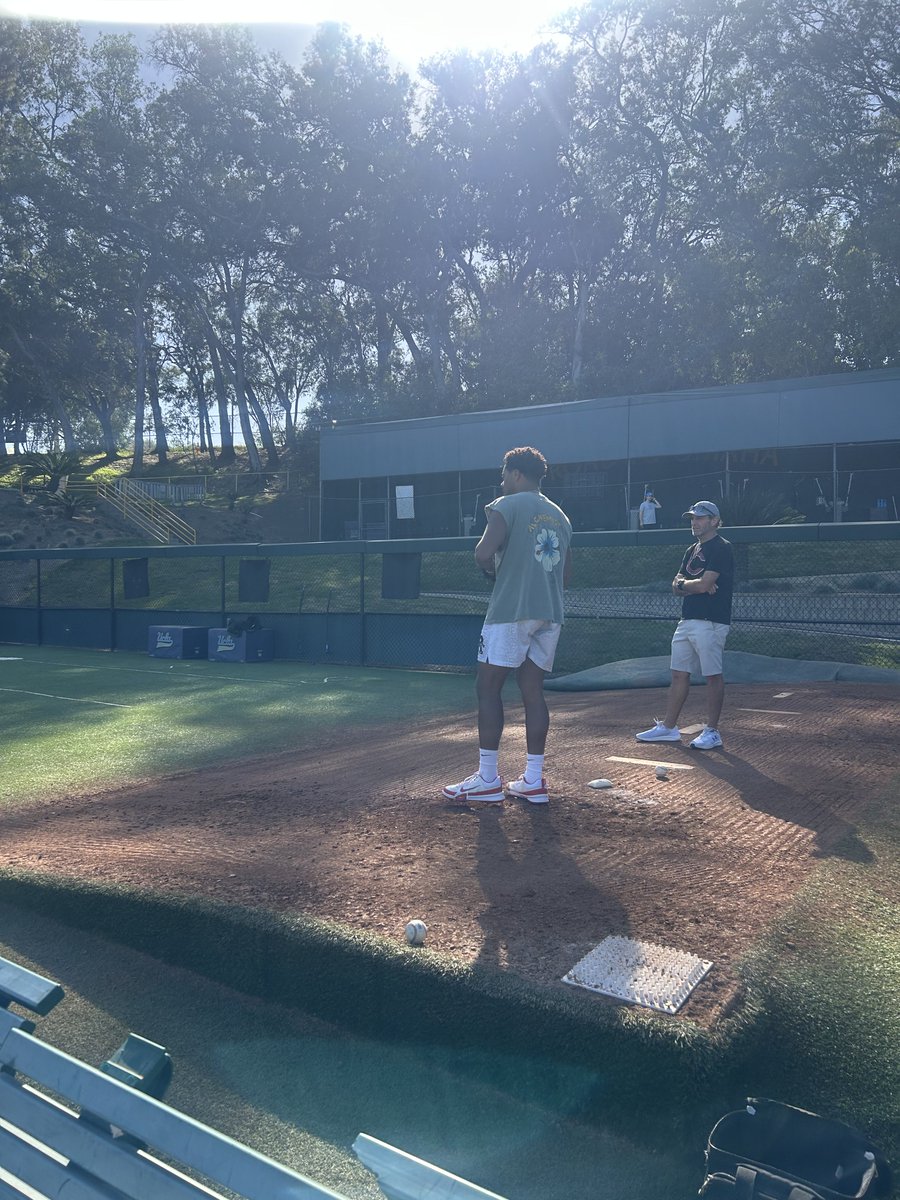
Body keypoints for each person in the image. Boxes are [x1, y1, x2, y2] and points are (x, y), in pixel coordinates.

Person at [442, 446, 573, 805]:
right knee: (533, 690)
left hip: (511, 610)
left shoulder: (506, 505)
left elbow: (483, 553)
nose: (502, 483)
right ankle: (533, 780)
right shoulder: (560, 516)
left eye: (504, 476)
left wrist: (490, 569)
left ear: (516, 474)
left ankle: (487, 779)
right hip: (550, 611)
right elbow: (566, 575)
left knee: (487, 687)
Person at [635, 500, 734, 750]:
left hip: (711, 621)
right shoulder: (692, 549)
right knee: (678, 673)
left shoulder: (722, 548)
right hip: (687, 619)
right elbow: (678, 585)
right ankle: (669, 727)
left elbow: (703, 584)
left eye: (700, 518)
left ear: (714, 521)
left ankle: (712, 731)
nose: (694, 522)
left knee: (712, 675)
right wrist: (690, 585)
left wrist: (691, 585)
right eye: (692, 518)